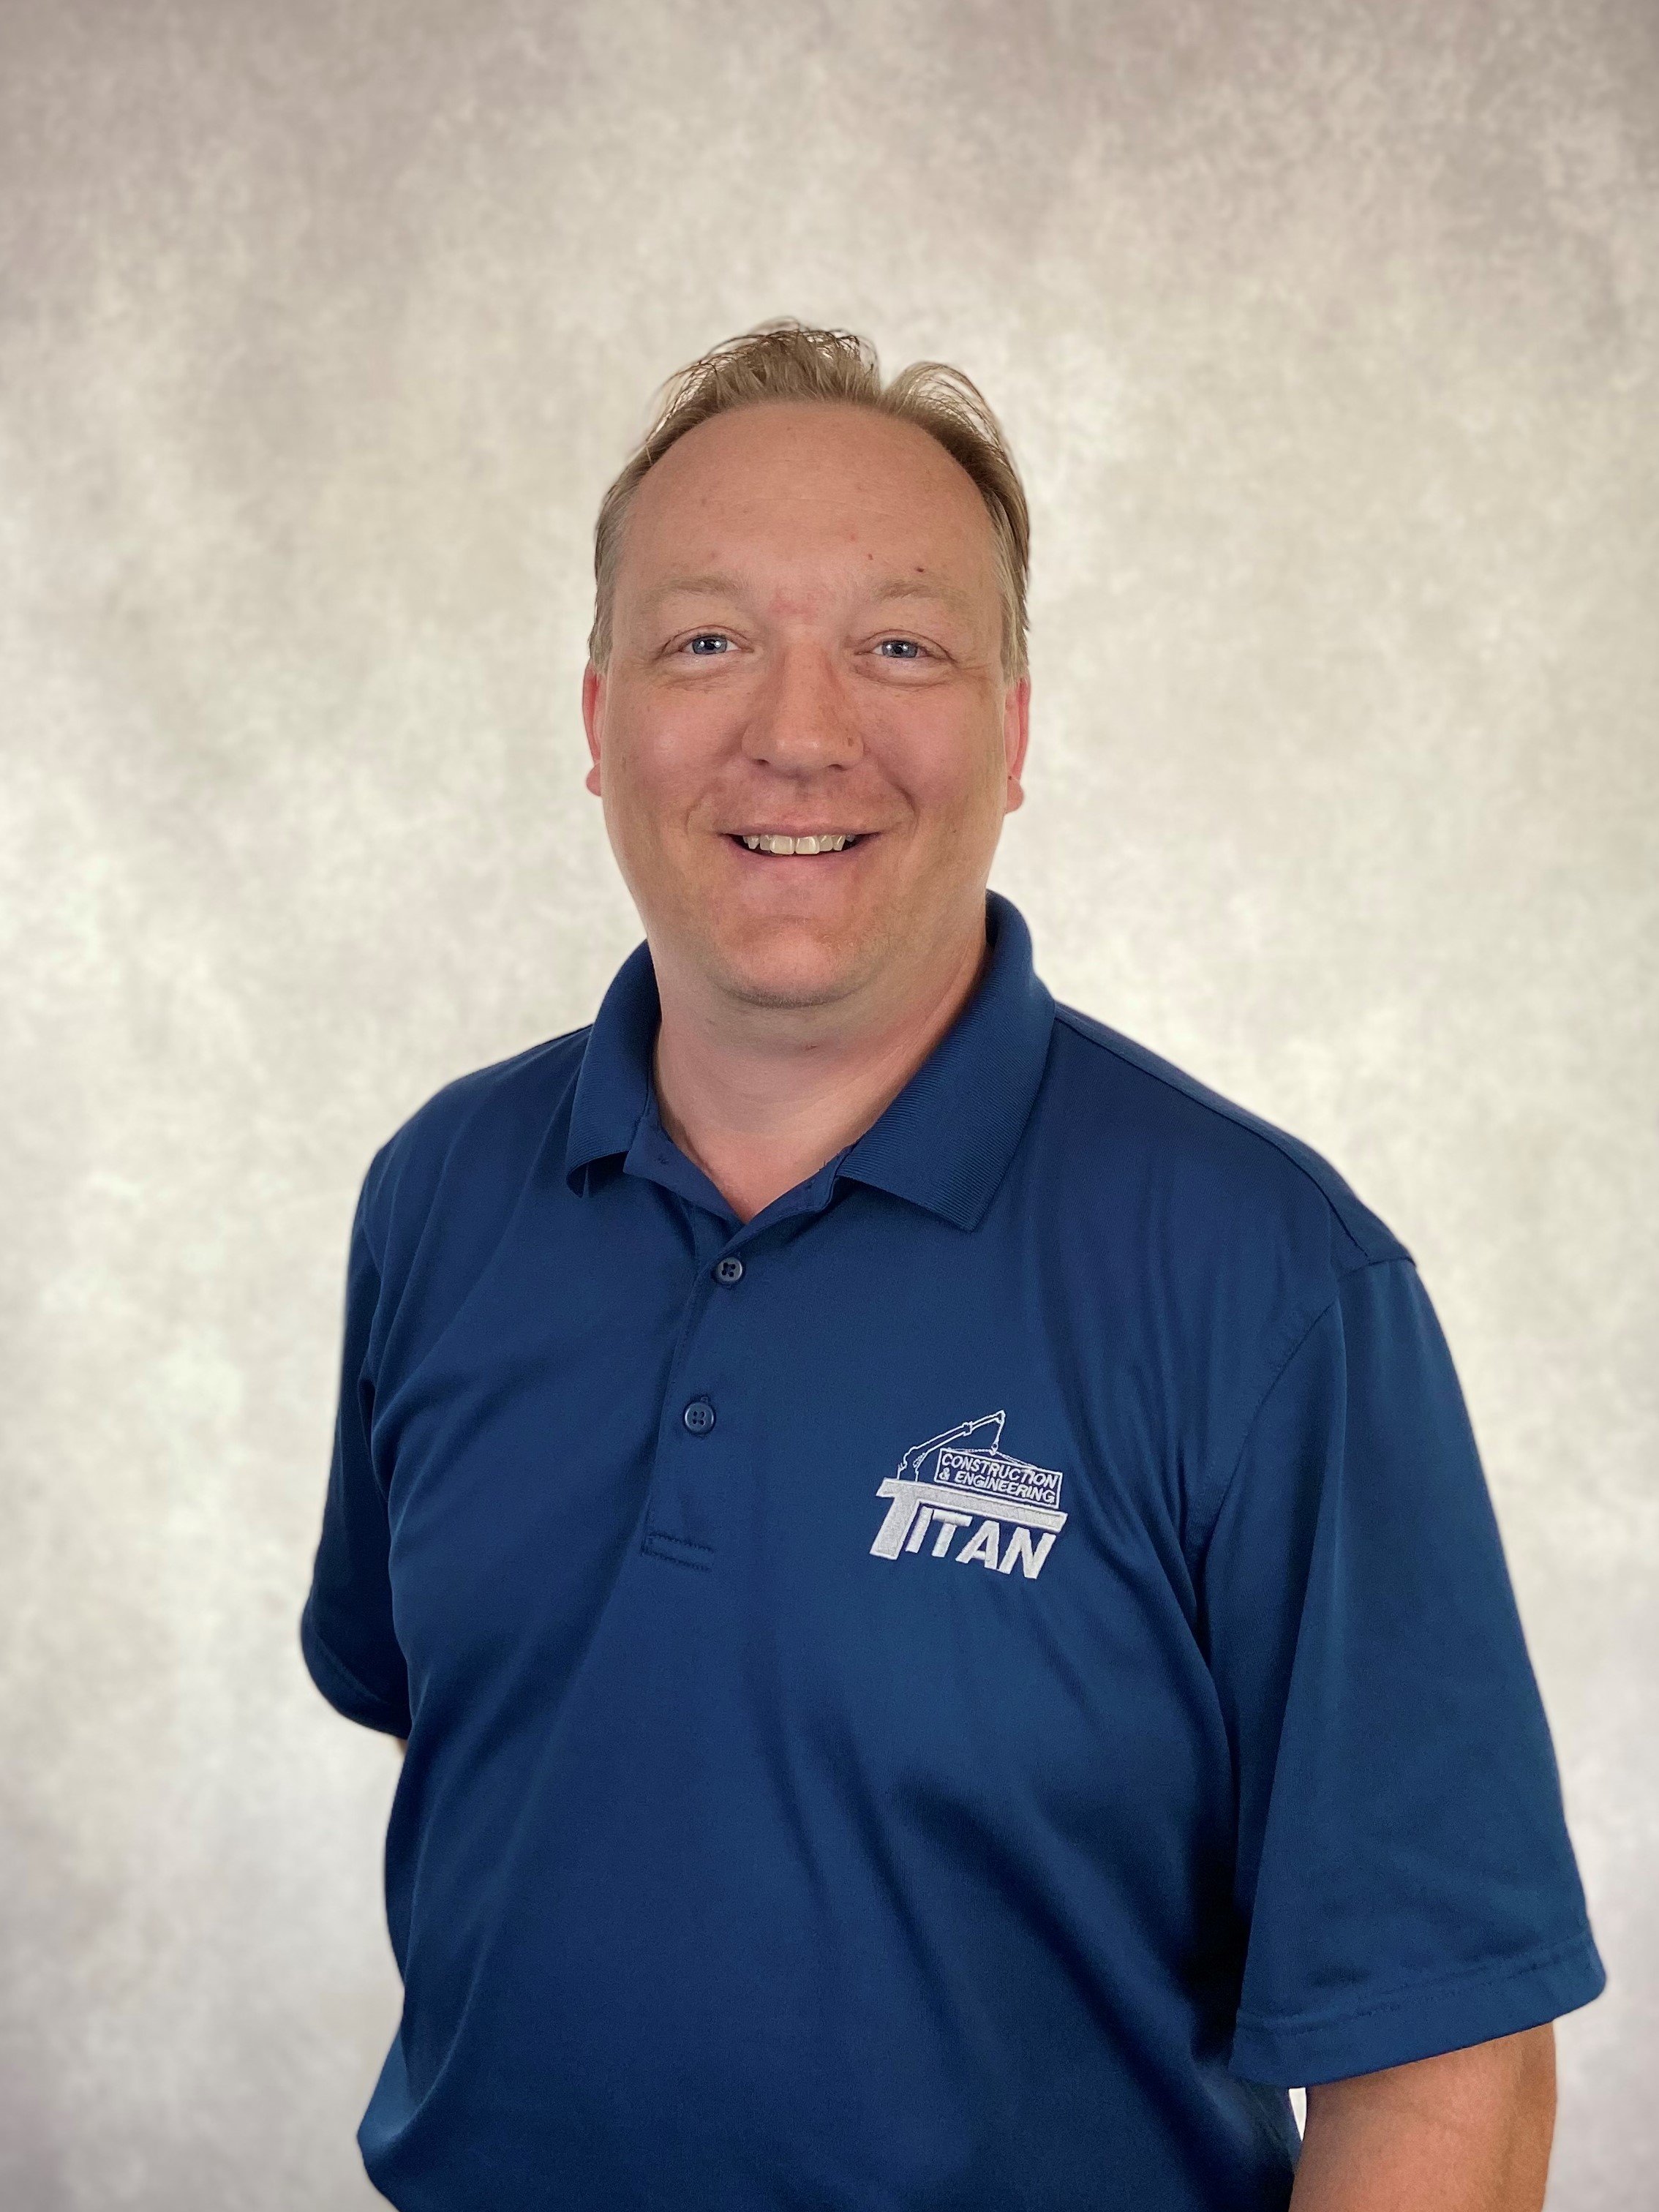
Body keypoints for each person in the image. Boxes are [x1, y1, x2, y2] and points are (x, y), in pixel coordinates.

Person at [300, 320, 1606, 2211]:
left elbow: (1446, 2072)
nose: (798, 731)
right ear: (597, 723)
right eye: (705, 642)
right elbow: (507, 1753)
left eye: (900, 647)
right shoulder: (441, 1197)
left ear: (1013, 732)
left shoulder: (1268, 1287)